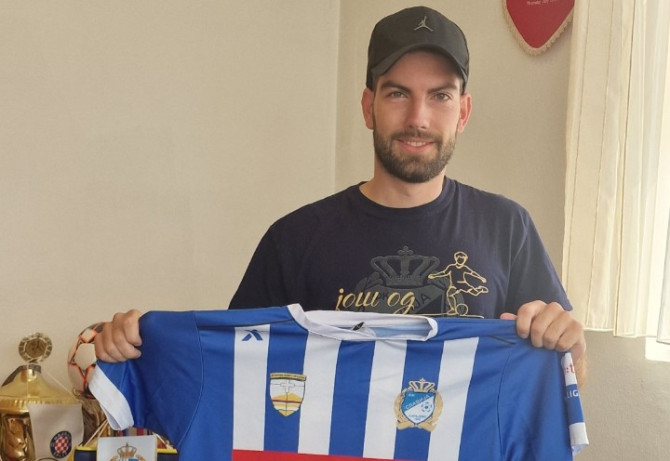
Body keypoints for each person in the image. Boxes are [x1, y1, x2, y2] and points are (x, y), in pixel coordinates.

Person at [94, 6, 586, 373]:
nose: (418, 118)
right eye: (398, 93)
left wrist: (571, 347)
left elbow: (569, 378)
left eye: (439, 96)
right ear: (369, 107)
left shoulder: (507, 227)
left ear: (463, 112)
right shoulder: (295, 238)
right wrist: (138, 344)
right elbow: (232, 369)